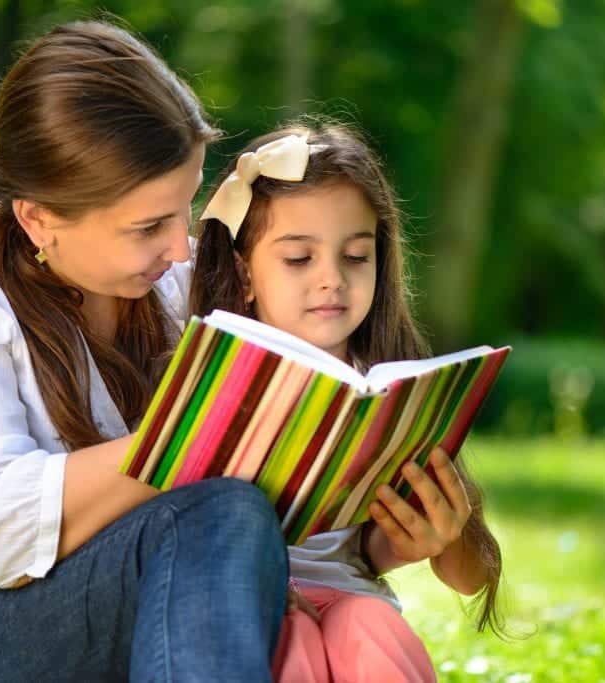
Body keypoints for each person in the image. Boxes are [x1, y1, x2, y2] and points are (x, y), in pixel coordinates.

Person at [0, 20, 300, 682]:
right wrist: (186, 438)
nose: (180, 247)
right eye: (147, 226)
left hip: (93, 607)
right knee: (218, 510)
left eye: (185, 206)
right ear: (38, 218)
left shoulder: (173, 281)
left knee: (228, 513)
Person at [191, 122, 507, 682]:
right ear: (243, 274)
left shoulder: (392, 385)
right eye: (298, 260)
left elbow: (472, 576)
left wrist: (445, 535)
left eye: (356, 256)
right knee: (292, 646)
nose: (331, 279)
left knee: (369, 627)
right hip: (242, 601)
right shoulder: (206, 375)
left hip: (351, 599)